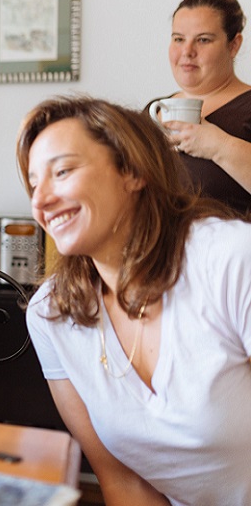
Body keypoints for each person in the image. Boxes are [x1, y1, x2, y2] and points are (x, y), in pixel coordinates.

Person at [17, 95, 251, 505]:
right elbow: (123, 483)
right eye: (34, 183)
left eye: (63, 171)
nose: (41, 201)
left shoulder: (230, 259)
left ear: (132, 172)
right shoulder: (50, 314)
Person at [147, 0, 251, 214]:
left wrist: (218, 147)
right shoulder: (153, 112)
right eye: (178, 39)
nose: (187, 51)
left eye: (203, 40)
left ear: (234, 45)